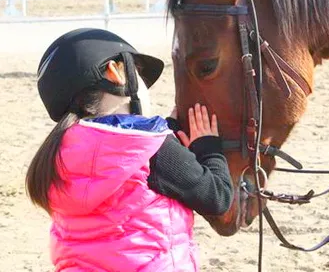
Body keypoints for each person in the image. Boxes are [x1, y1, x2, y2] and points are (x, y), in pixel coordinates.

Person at [25, 28, 233, 272]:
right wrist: (207, 147)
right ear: (115, 73)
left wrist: (170, 133)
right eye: (139, 74)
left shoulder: (59, 152)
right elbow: (218, 198)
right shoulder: (150, 147)